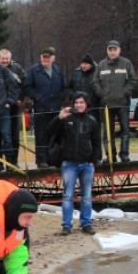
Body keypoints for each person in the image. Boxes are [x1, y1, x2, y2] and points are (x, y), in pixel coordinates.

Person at [48, 92, 100, 236]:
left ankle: (86, 223)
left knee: (87, 196)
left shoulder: (92, 121)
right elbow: (49, 131)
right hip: (69, 163)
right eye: (76, 102)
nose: (79, 105)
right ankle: (66, 225)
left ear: (86, 104)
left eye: (81, 102)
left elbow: (96, 142)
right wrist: (59, 118)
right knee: (67, 195)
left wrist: (93, 160)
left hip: (86, 163)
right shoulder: (66, 119)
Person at [93, 40, 138, 162]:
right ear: (107, 51)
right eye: (110, 50)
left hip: (123, 103)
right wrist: (102, 94)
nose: (112, 52)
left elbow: (133, 80)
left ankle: (124, 153)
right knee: (108, 132)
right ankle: (110, 155)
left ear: (119, 50)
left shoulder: (126, 63)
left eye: (114, 50)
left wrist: (124, 93)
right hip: (106, 104)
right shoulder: (101, 65)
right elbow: (95, 82)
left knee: (125, 130)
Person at [22, 46, 67, 167]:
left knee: (56, 134)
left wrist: (60, 98)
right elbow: (27, 86)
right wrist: (37, 97)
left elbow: (63, 87)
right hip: (41, 108)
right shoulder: (34, 70)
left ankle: (55, 158)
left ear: (53, 58)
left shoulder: (58, 71)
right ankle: (42, 160)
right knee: (41, 135)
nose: (45, 59)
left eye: (47, 57)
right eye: (43, 57)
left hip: (55, 108)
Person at [0, 49, 27, 167]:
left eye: (7, 58)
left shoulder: (17, 68)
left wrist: (20, 98)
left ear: (10, 58)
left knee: (14, 133)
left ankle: (14, 161)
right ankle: (1, 162)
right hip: (0, 106)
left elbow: (25, 84)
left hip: (14, 106)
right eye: (3, 58)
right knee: (1, 134)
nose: (5, 60)